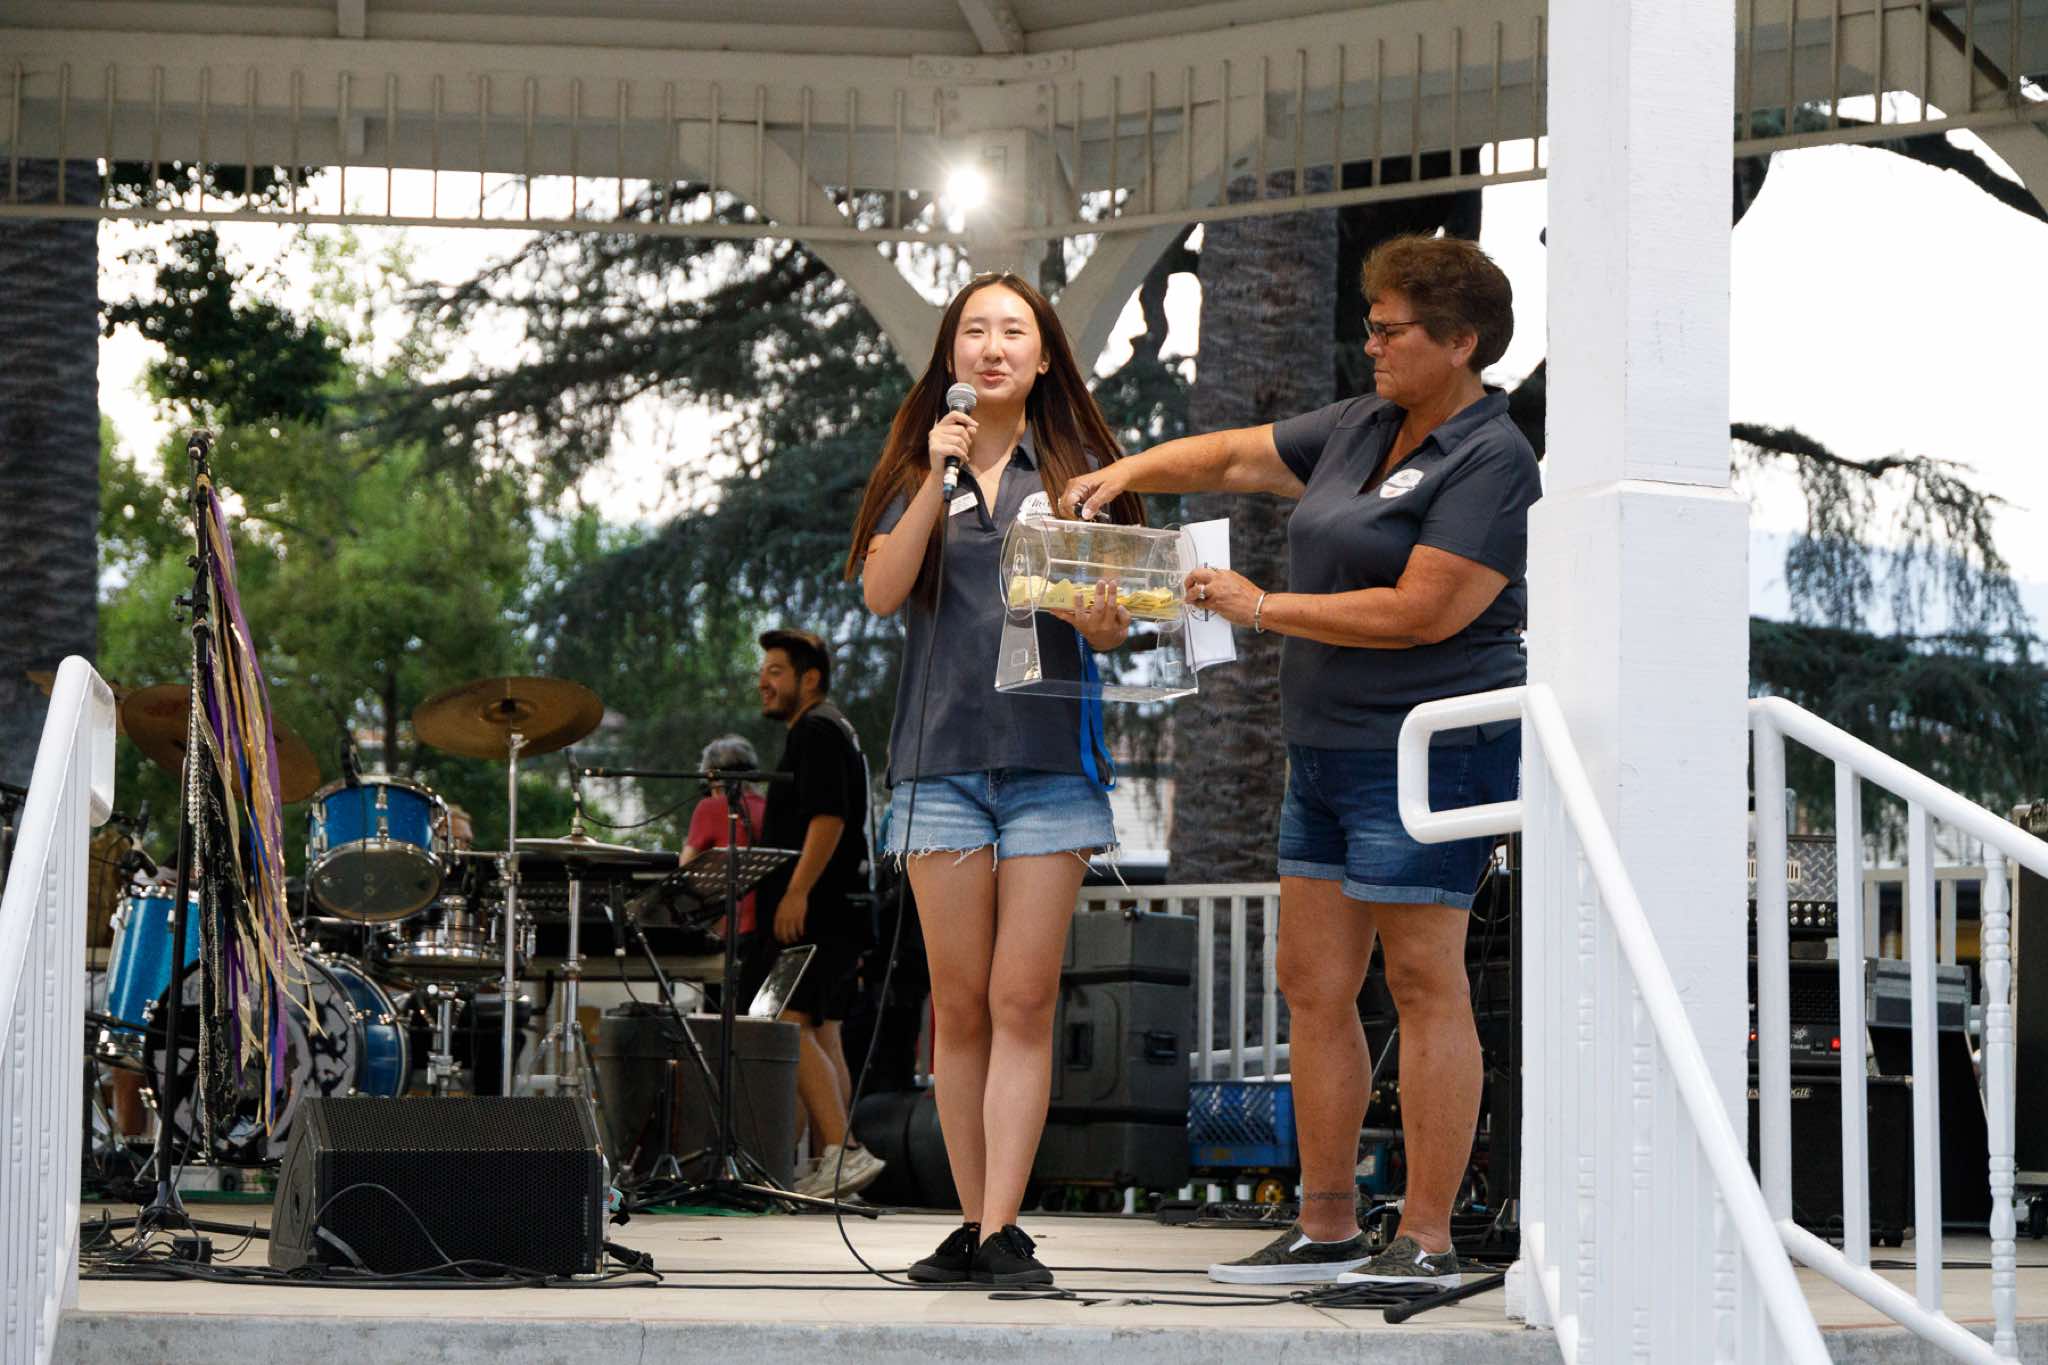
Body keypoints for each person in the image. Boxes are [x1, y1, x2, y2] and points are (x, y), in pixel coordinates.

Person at [1063, 235, 1539, 1290]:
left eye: (1391, 330)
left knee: (1421, 982)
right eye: (1369, 325)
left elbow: (1424, 610)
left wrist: (1263, 606)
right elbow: (1234, 459)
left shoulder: (1492, 458)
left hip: (1426, 756)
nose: (1370, 344)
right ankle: (1327, 1227)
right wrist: (1127, 470)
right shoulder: (1362, 425)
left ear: (1460, 342)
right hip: (1321, 754)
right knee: (1312, 985)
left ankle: (1425, 1240)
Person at [845, 271, 1138, 1287]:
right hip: (940, 769)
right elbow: (882, 592)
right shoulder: (919, 465)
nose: (993, 346)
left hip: (1050, 768)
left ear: (1045, 356)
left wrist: (1104, 620)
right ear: (950, 356)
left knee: (1022, 998)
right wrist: (938, 477)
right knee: (959, 1005)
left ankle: (1006, 1224)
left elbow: (1119, 623)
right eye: (974, 330)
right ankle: (972, 1225)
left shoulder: (1081, 473)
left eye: (1014, 330)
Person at [743, 627, 886, 1200]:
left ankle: (842, 1151)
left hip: (815, 909)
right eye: (763, 671)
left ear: (810, 679)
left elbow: (829, 818)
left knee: (785, 1022)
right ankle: (836, 1164)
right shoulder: (832, 728)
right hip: (839, 911)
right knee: (825, 1034)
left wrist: (796, 892)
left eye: (776, 671)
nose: (763, 681)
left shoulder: (817, 731)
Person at [680, 735, 768, 938]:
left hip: (732, 925)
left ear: (712, 778)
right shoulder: (769, 807)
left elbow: (686, 868)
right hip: (770, 921)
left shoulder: (711, 807)